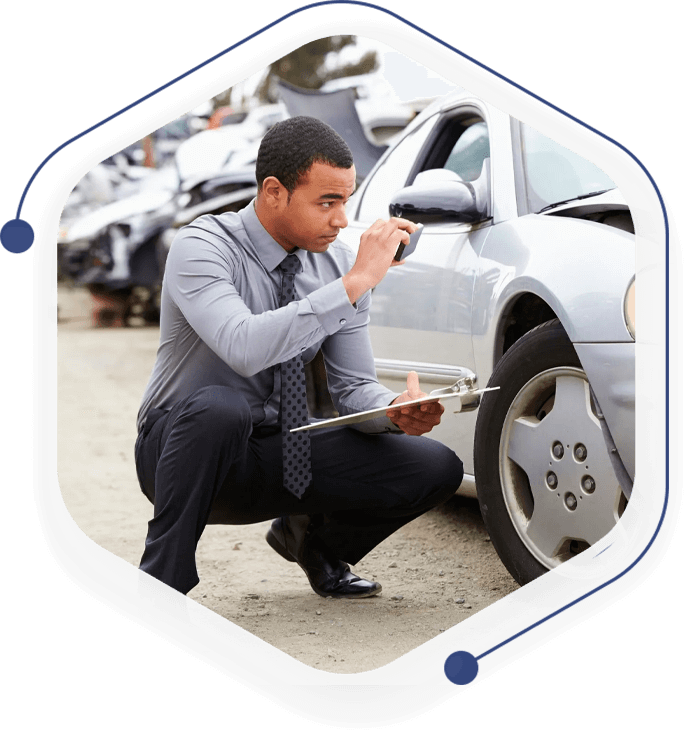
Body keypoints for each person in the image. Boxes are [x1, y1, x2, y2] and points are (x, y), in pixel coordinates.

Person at [134, 116, 464, 623]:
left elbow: (354, 391)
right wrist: (354, 285)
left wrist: (394, 410)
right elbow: (242, 346)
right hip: (183, 453)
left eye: (345, 202)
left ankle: (314, 544)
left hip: (281, 452)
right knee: (222, 408)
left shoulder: (332, 268)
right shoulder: (202, 246)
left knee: (436, 466)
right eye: (326, 203)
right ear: (274, 192)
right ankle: (162, 584)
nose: (339, 220)